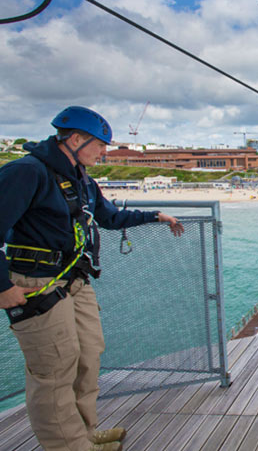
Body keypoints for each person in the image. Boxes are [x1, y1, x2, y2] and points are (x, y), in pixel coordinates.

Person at [0, 106, 184, 451]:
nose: (105, 152)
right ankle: (70, 446)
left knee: (87, 356)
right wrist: (3, 288)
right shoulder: (26, 172)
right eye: (101, 145)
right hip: (37, 285)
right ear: (75, 140)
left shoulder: (80, 178)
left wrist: (156, 216)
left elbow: (109, 217)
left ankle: (82, 433)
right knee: (53, 372)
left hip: (73, 281)